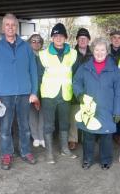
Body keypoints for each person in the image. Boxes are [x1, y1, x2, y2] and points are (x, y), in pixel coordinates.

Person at [0, 13, 38, 170]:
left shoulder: (26, 47)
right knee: (5, 127)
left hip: (24, 94)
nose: (10, 27)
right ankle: (6, 154)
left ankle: (25, 151)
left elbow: (33, 71)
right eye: (7, 25)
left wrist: (34, 91)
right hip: (4, 95)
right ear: (3, 27)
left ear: (17, 26)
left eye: (13, 25)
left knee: (24, 126)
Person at [73, 37, 120, 170]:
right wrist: (79, 94)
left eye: (102, 50)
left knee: (106, 137)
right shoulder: (84, 67)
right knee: (88, 135)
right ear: (92, 50)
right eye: (97, 50)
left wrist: (119, 110)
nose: (99, 52)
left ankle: (105, 159)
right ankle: (87, 159)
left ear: (107, 51)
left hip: (107, 109)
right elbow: (76, 82)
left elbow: (119, 92)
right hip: (89, 108)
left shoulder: (114, 69)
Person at [38, 23, 78, 164]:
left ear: (65, 37)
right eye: (55, 36)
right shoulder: (43, 54)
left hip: (66, 94)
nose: (58, 38)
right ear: (52, 38)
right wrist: (36, 96)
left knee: (65, 123)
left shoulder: (73, 53)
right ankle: (49, 153)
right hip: (48, 95)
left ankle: (64, 149)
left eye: (61, 36)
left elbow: (76, 75)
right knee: (49, 125)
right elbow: (38, 77)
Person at [68, 28, 92, 150]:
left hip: (89, 89)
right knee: (74, 115)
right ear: (77, 40)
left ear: (88, 40)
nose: (82, 40)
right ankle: (73, 139)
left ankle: (86, 138)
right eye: (80, 38)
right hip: (74, 89)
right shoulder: (71, 54)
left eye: (85, 38)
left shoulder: (93, 55)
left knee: (88, 114)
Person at [27, 33, 45, 148]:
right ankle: (35, 137)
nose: (36, 43)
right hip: (30, 89)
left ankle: (42, 136)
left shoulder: (45, 56)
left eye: (38, 41)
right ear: (29, 43)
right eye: (33, 41)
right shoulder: (26, 56)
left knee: (43, 113)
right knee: (32, 113)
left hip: (44, 88)